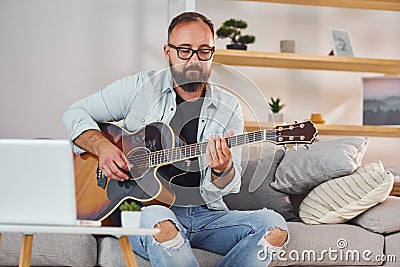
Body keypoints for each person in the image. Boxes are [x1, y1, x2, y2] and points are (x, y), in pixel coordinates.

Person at [63, 11, 288, 267]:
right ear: (167, 51)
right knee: (160, 220)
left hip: (207, 215)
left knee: (275, 227)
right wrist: (103, 148)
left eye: (204, 51)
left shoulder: (229, 107)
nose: (195, 60)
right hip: (148, 211)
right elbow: (75, 113)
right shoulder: (140, 87)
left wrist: (222, 169)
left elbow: (228, 184)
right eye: (184, 50)